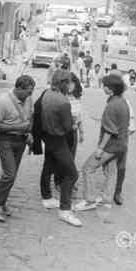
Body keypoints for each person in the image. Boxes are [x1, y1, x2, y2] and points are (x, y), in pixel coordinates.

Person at [74, 74, 130, 211]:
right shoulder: (122, 101)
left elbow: (109, 131)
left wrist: (100, 148)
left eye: (104, 85)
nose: (103, 87)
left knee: (88, 168)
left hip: (110, 146)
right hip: (121, 145)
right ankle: (106, 199)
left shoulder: (112, 106)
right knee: (111, 170)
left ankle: (89, 200)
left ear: (110, 89)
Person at [34, 70, 82, 227]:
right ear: (64, 83)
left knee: (48, 166)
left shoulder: (47, 93)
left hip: (47, 137)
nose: (71, 85)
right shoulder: (63, 102)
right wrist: (75, 123)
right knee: (72, 174)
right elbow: (68, 127)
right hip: (59, 140)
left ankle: (47, 198)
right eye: (69, 82)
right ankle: (65, 210)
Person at [0, 75, 35, 222]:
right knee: (9, 174)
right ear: (19, 88)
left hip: (21, 141)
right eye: (28, 91)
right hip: (5, 140)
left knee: (12, 174)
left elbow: (30, 117)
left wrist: (28, 133)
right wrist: (17, 127)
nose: (30, 95)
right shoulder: (4, 101)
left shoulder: (28, 99)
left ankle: (2, 202)